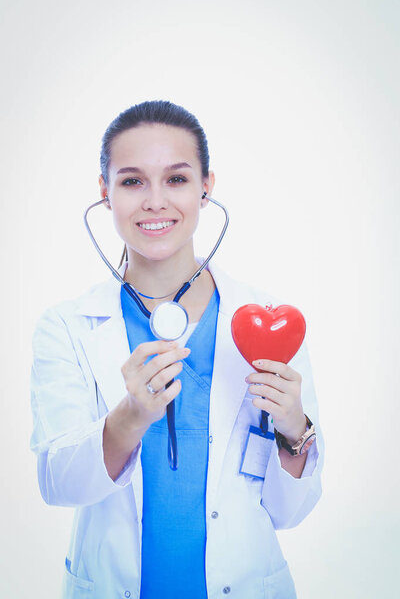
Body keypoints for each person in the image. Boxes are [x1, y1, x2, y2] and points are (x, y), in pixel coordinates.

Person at [30, 100, 324, 599]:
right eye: (131, 181)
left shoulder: (268, 322)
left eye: (177, 179)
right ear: (104, 192)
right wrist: (131, 415)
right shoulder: (67, 326)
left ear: (207, 187)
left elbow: (290, 512)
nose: (155, 201)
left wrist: (295, 428)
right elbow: (59, 486)